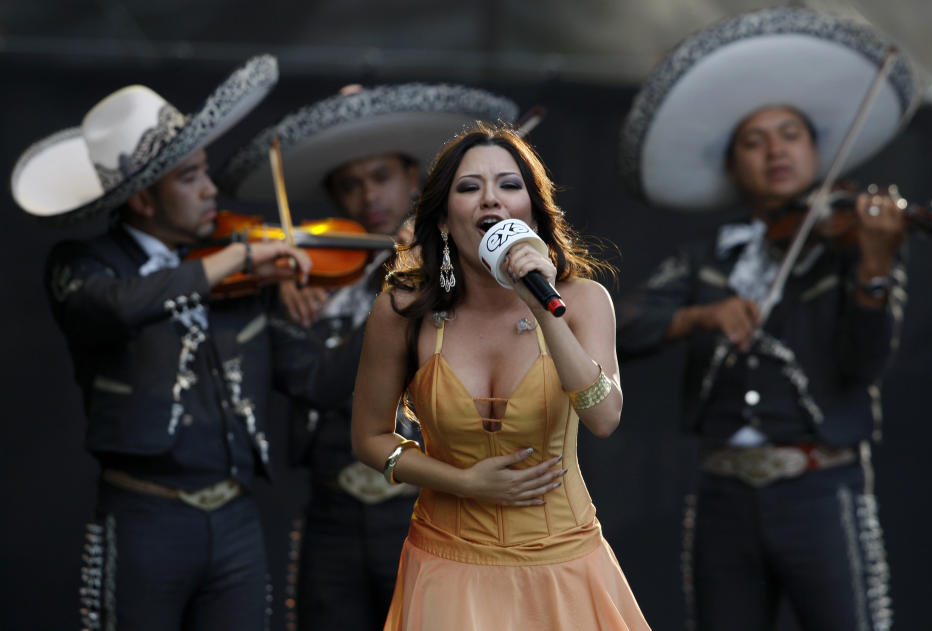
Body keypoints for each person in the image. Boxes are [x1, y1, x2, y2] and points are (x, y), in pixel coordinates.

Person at [10, 56, 358, 630]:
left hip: (236, 521)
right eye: (190, 177)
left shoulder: (247, 277)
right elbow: (118, 307)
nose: (211, 190)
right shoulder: (85, 266)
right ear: (144, 200)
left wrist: (394, 310)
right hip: (144, 518)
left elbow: (314, 381)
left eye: (204, 171)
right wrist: (237, 258)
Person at [615, 8, 915, 631]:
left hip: (818, 491)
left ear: (815, 150)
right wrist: (700, 315)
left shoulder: (851, 247)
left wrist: (876, 270)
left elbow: (865, 363)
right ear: (732, 164)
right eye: (754, 141)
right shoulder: (705, 258)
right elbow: (621, 326)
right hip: (723, 495)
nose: (775, 150)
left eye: (790, 135)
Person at [216, 83, 518, 629]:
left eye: (380, 177)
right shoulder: (306, 279)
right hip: (333, 506)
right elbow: (315, 382)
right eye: (349, 186)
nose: (367, 198)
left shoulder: (460, 275)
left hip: (435, 504)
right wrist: (391, 289)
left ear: (412, 178)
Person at [350, 122, 651, 630]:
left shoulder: (581, 301)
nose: (491, 199)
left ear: (531, 210)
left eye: (509, 185)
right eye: (470, 188)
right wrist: (463, 482)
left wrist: (541, 307)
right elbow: (369, 437)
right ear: (445, 219)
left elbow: (603, 417)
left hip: (563, 564)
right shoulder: (403, 309)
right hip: (448, 563)